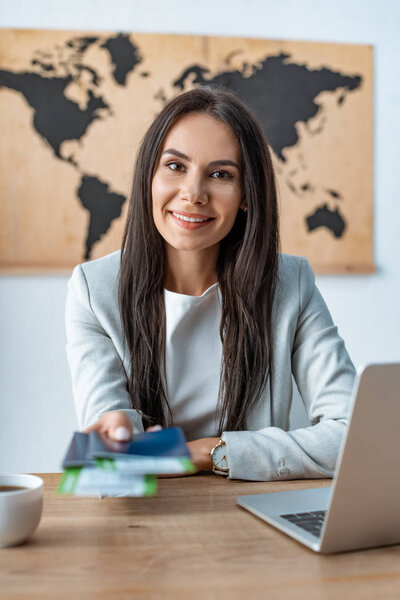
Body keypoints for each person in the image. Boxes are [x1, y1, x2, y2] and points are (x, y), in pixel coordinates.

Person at [65, 86, 356, 481]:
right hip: (148, 513)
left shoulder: (291, 284)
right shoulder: (93, 290)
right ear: (148, 176)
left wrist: (210, 452)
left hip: (255, 512)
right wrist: (114, 431)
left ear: (247, 195)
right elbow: (115, 456)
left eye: (220, 174)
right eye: (175, 166)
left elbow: (352, 436)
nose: (193, 194)